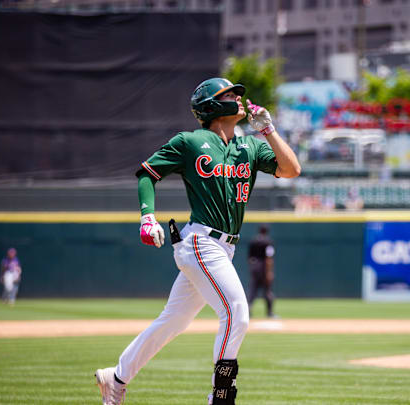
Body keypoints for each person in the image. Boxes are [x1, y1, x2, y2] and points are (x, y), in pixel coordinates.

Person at [95, 77, 301, 405]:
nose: (238, 99)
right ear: (211, 105)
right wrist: (147, 216)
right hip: (200, 242)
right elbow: (148, 173)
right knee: (237, 312)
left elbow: (291, 170)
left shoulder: (250, 145)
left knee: (173, 321)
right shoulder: (190, 142)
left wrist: (268, 131)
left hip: (225, 247)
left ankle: (115, 378)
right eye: (230, 94)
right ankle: (220, 395)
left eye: (237, 94)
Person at [247, 225, 276, 318]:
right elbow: (269, 258)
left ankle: (248, 311)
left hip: (255, 267)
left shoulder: (253, 241)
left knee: (253, 290)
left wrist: (253, 268)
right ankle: (270, 313)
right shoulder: (268, 242)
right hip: (263, 268)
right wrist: (269, 272)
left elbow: (250, 257)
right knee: (267, 290)